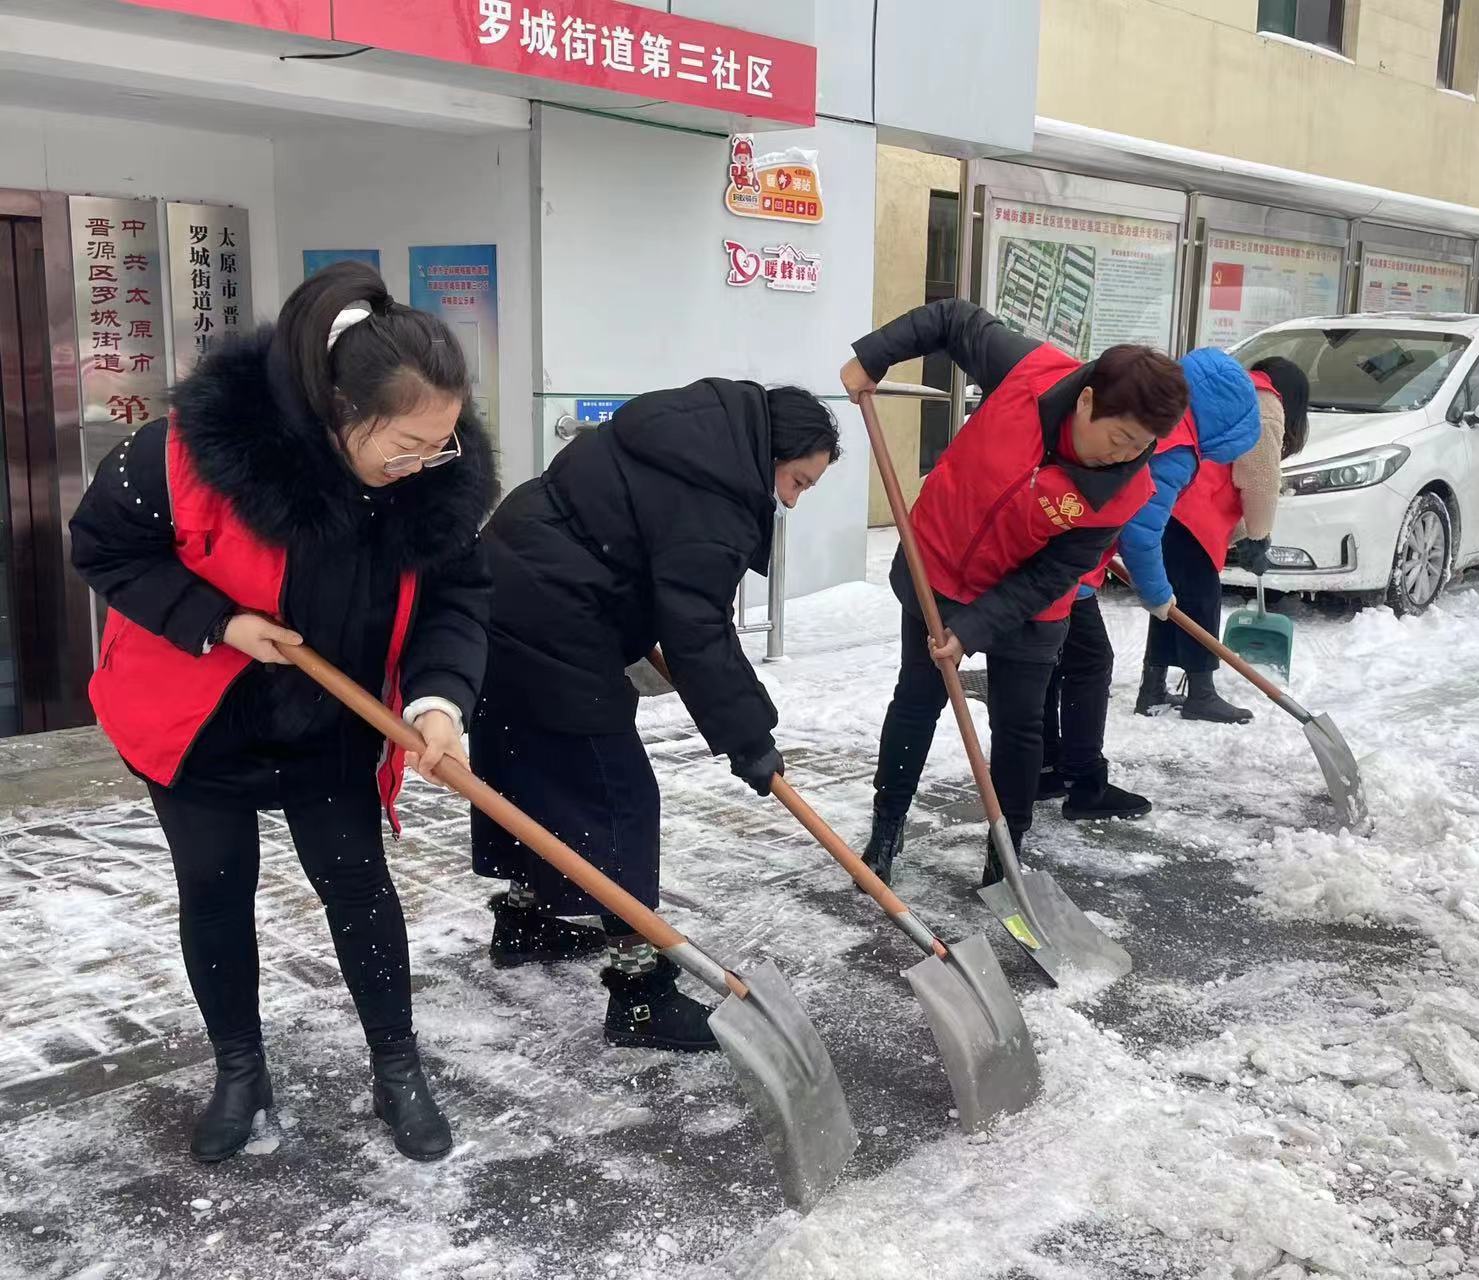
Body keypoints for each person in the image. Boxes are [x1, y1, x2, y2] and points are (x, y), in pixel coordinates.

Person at [70, 262, 497, 1164]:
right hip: (199, 719)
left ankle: (396, 1067)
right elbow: (101, 545)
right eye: (405, 446)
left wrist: (438, 700)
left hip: (332, 722)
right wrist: (217, 622)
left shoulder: (431, 482)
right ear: (339, 414)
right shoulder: (184, 454)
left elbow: (458, 596)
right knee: (216, 891)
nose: (422, 464)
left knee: (356, 885)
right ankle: (240, 1072)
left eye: (442, 444)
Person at [471, 380, 840, 1052]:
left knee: (524, 763)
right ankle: (639, 992)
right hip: (556, 616)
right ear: (770, 455)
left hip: (504, 583)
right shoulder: (716, 497)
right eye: (796, 481)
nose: (788, 500)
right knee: (620, 798)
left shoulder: (682, 438)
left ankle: (525, 921)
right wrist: (749, 739)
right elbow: (698, 629)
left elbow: (635, 551)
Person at [841, 300, 1191, 886]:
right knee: (917, 700)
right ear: (1086, 401)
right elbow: (952, 320)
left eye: (1143, 444)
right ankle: (886, 828)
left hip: (1029, 608)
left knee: (1019, 725)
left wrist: (975, 629)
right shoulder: (1029, 371)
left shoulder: (1123, 489)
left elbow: (1054, 573)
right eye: (1122, 437)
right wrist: (872, 358)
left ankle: (1006, 856)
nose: (1128, 455)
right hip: (939, 570)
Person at [1131, 354, 1312, 722]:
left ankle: (1152, 689)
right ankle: (1201, 693)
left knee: (1171, 600)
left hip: (1176, 502)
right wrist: (1259, 536)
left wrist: (1244, 534)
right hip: (1194, 510)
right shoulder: (1268, 404)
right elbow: (1259, 481)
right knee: (1201, 600)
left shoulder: (1242, 389)